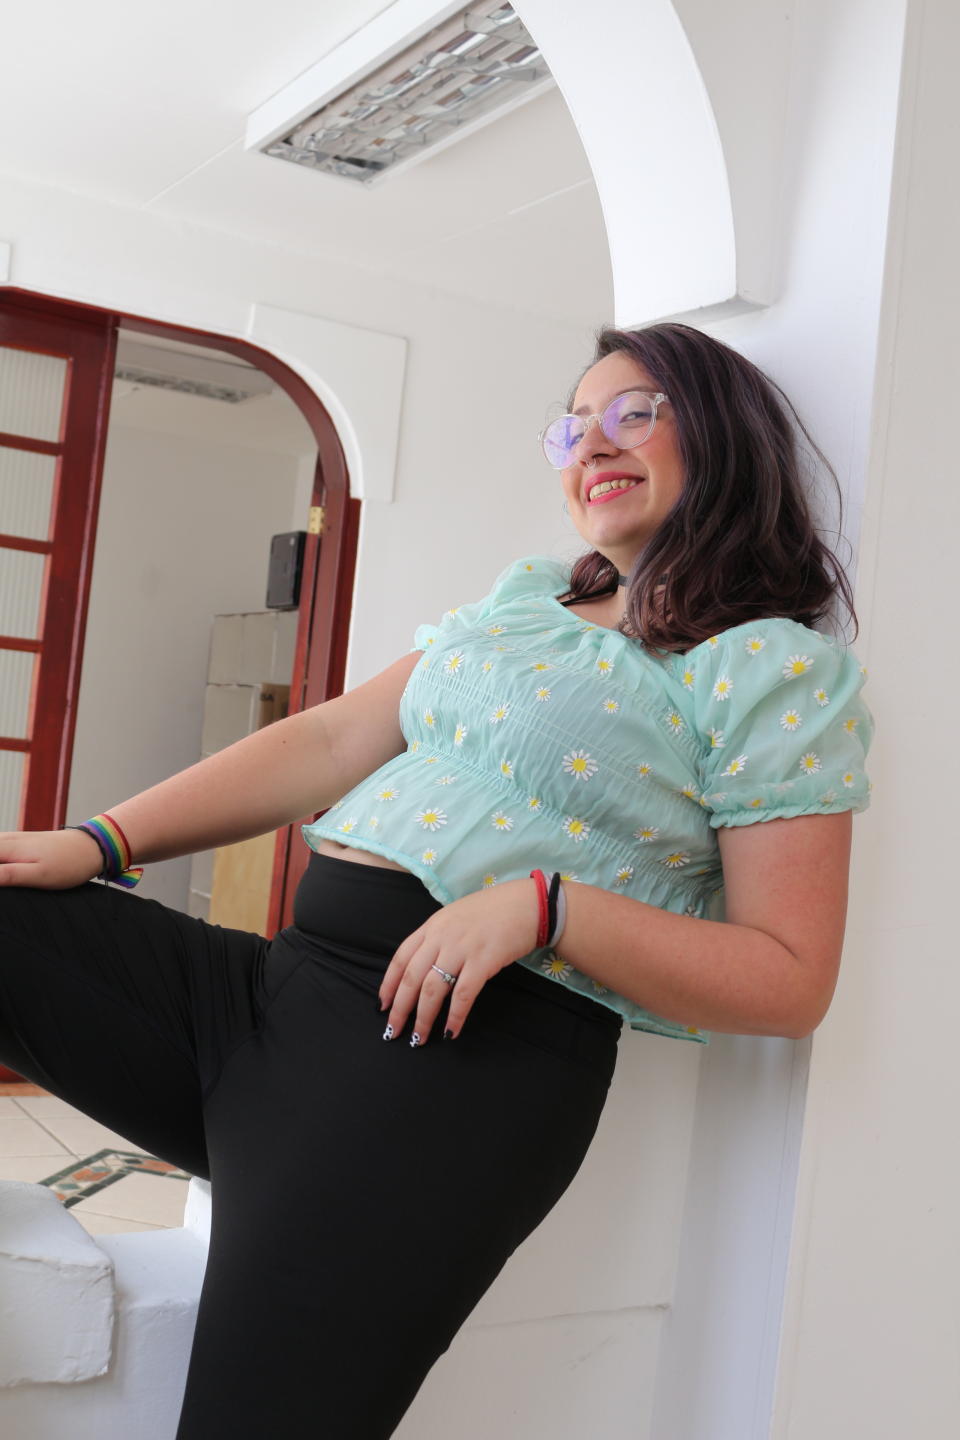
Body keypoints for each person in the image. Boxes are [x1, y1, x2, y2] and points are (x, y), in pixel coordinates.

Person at [0, 322, 873, 1438]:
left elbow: (790, 977)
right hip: (270, 1002)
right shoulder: (526, 605)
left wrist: (549, 909)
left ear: (722, 434)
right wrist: (103, 840)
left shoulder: (770, 668)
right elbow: (331, 739)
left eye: (634, 412)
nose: (592, 444)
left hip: (441, 1080)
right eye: (573, 425)